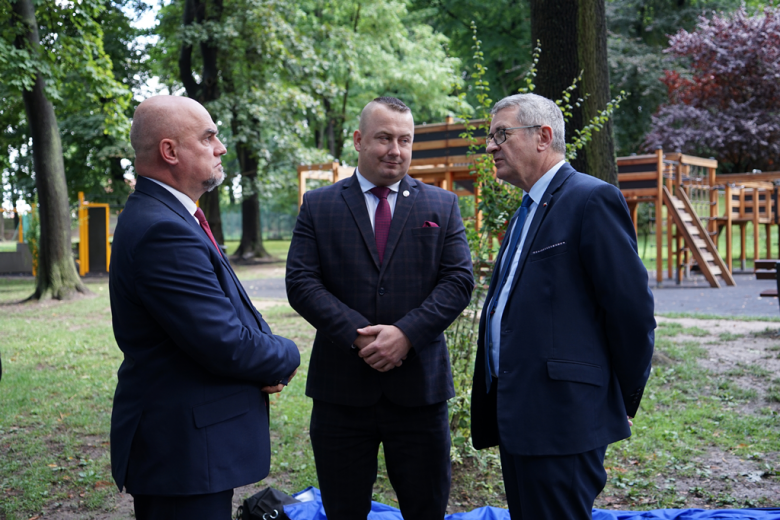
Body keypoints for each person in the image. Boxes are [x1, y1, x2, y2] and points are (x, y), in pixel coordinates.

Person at [109, 95, 300, 520]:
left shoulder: (172, 217)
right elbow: (225, 342)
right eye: (209, 136)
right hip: (182, 454)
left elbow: (232, 310)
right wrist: (287, 354)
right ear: (170, 151)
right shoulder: (163, 230)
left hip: (190, 452)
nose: (221, 147)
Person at [286, 96, 474, 519]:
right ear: (358, 140)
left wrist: (406, 334)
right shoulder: (320, 205)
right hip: (342, 393)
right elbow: (301, 282)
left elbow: (459, 280)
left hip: (420, 392)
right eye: (384, 138)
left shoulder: (441, 205)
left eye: (405, 140)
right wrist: (358, 336)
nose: (396, 149)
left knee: (425, 509)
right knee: (343, 509)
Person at [470, 93, 655, 519]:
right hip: (521, 416)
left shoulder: (591, 199)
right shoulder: (524, 212)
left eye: (501, 134)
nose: (490, 146)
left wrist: (621, 400)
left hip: (564, 421)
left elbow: (631, 311)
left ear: (543, 137)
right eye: (489, 136)